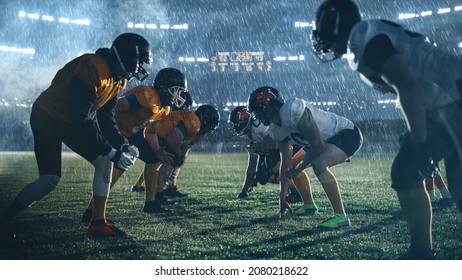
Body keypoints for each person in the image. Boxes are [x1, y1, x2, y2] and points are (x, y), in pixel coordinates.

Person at [310, 0, 462, 259]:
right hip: (447, 104)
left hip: (454, 100)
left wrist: (419, 140)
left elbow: (407, 84)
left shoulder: (362, 39)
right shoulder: (366, 36)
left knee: (420, 174)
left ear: (338, 23)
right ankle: (421, 253)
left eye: (323, 25)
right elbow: (417, 86)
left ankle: (421, 253)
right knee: (408, 172)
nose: (320, 33)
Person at [0, 33, 152, 239]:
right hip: (48, 116)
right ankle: (5, 218)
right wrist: (112, 152)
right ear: (127, 56)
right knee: (49, 180)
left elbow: (105, 116)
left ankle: (97, 222)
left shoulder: (118, 79)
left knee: (105, 162)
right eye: (140, 60)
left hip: (70, 120)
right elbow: (80, 118)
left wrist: (121, 144)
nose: (141, 66)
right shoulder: (93, 66)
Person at [81, 68, 189, 223]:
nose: (179, 96)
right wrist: (114, 137)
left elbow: (150, 132)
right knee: (117, 165)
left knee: (153, 158)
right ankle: (92, 211)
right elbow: (113, 109)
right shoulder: (148, 96)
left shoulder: (164, 108)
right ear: (165, 88)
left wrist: (158, 150)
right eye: (177, 91)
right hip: (113, 131)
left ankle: (150, 203)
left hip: (130, 134)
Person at [247, 86, 363, 228]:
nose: (257, 116)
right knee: (294, 165)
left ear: (269, 105)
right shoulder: (275, 130)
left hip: (346, 134)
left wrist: (298, 169)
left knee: (318, 163)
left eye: (259, 110)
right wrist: (282, 199)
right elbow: (286, 166)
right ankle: (309, 205)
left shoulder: (292, 110)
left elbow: (318, 145)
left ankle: (341, 217)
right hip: (322, 140)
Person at [132, 104, 220, 213]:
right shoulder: (194, 121)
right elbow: (173, 139)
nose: (210, 128)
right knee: (167, 160)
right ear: (206, 119)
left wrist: (180, 158)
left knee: (172, 160)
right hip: (153, 134)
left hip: (160, 136)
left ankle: (157, 195)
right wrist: (178, 155)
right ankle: (154, 198)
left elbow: (186, 145)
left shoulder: (198, 130)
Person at [229, 105, 317, 214]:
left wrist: (257, 147)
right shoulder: (253, 131)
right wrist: (245, 188)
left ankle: (297, 193)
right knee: (265, 174)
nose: (234, 127)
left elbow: (275, 142)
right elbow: (252, 165)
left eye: (235, 123)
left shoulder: (259, 127)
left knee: (274, 170)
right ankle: (298, 193)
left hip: (293, 144)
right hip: (287, 146)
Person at [130, 89, 193, 197]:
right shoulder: (168, 110)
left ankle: (141, 185)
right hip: (151, 135)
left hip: (152, 134)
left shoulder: (170, 108)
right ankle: (158, 190)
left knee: (155, 161)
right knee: (156, 161)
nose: (187, 110)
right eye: (186, 106)